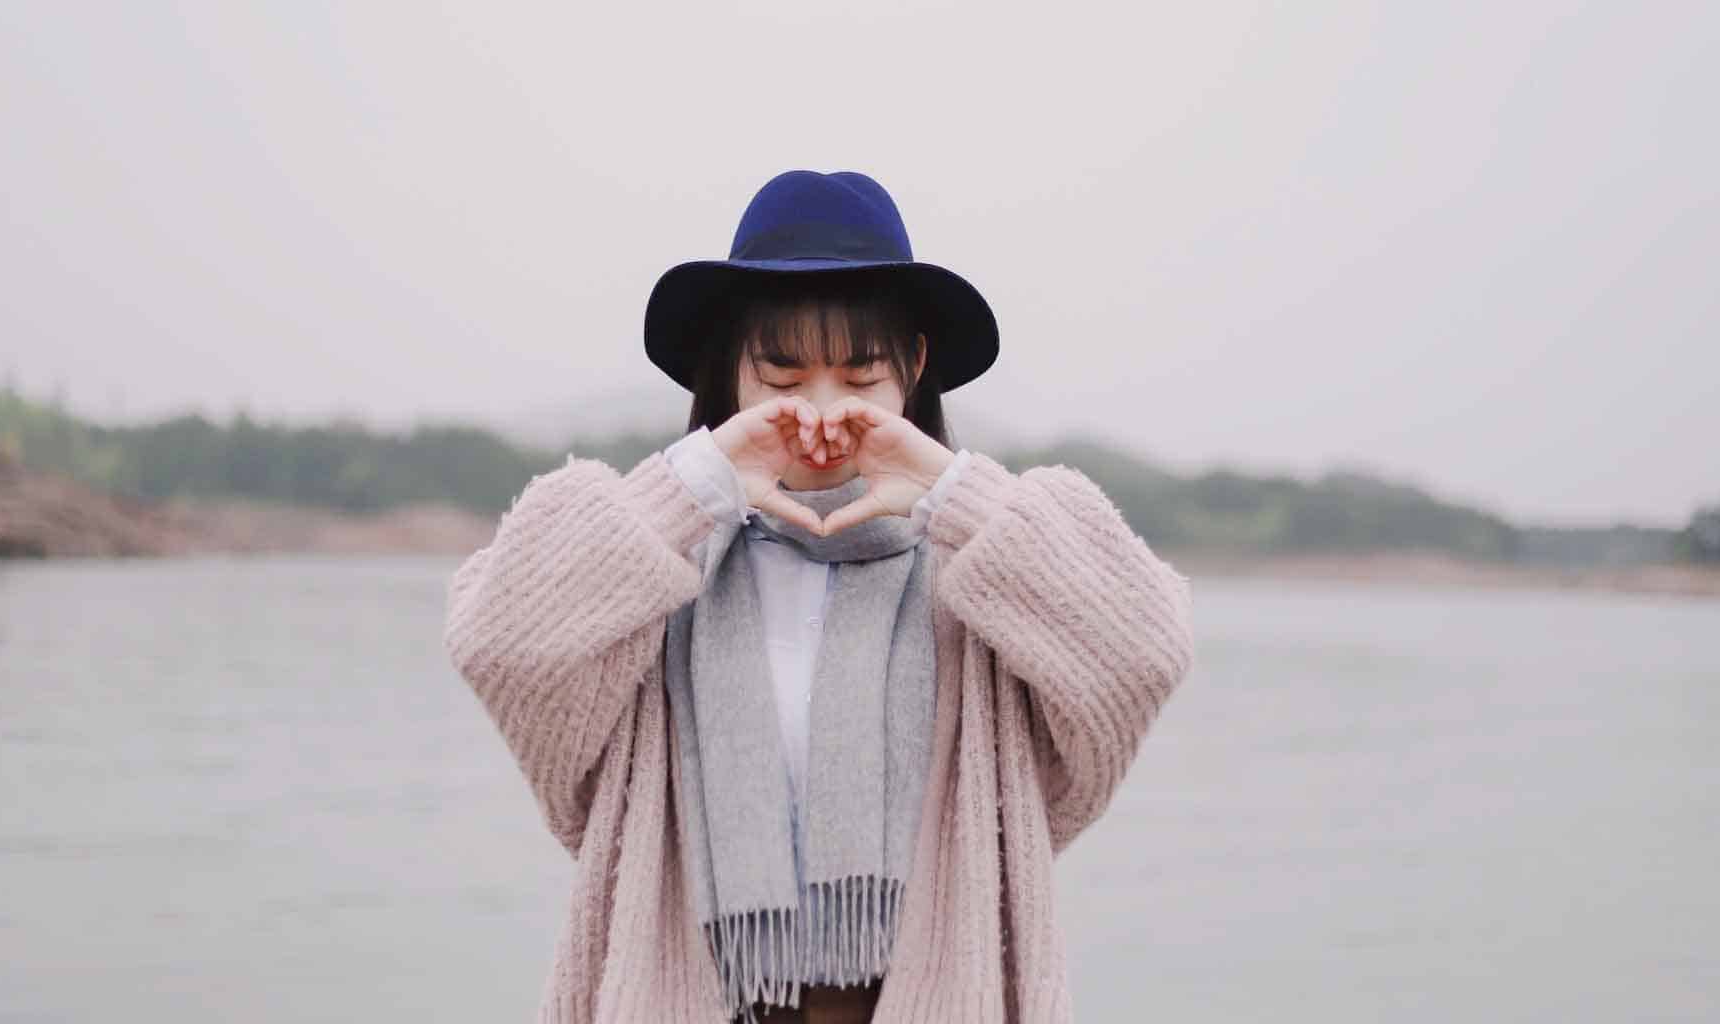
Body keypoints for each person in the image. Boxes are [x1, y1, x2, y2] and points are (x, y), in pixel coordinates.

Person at [444, 170, 1196, 1023]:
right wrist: (693, 485)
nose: (821, 412)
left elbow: (1145, 647)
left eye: (860, 375)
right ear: (729, 373)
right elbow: (497, 640)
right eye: (783, 374)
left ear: (912, 369)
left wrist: (952, 491)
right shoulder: (656, 560)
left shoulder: (980, 570)